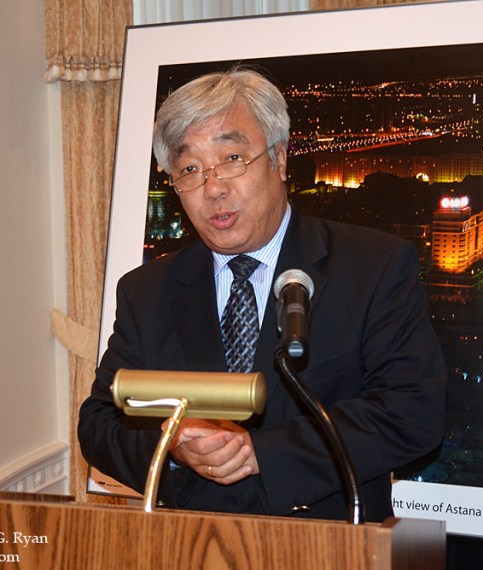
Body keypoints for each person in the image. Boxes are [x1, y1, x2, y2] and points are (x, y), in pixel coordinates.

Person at [78, 68, 446, 521]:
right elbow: (99, 422)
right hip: (193, 542)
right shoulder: (147, 291)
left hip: (328, 541)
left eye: (232, 158)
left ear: (280, 159)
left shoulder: (372, 266)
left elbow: (413, 412)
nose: (213, 188)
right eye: (189, 169)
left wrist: (261, 453)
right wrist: (172, 446)